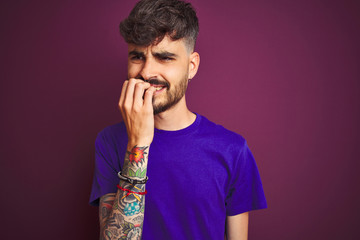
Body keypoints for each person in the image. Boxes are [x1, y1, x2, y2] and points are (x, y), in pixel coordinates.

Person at [89, 0, 267, 239]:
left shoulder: (233, 150)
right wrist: (138, 144)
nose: (147, 72)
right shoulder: (110, 142)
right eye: (137, 56)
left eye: (164, 58)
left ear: (191, 66)